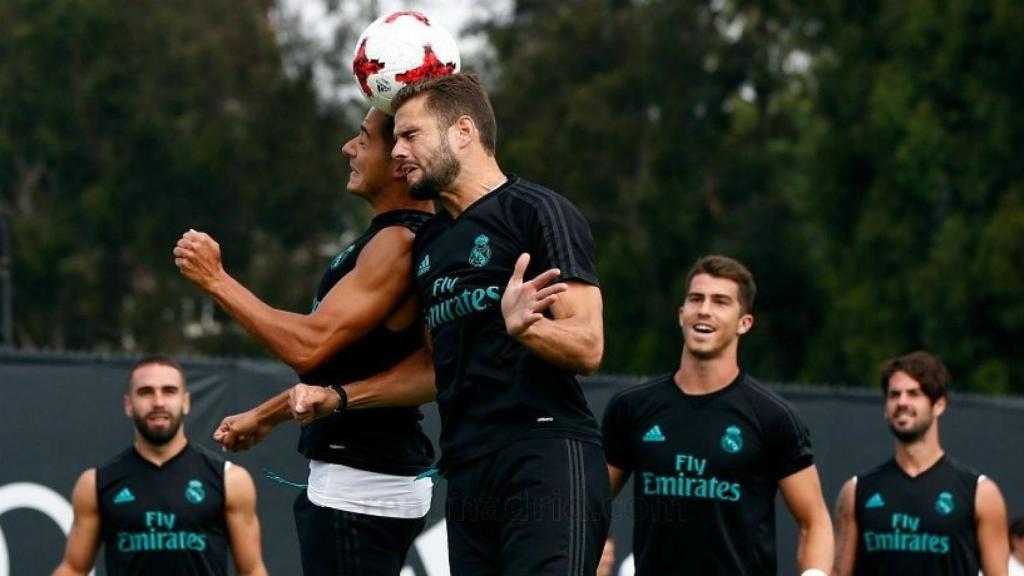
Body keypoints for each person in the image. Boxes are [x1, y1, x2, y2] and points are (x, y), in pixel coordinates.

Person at [287, 73, 611, 575]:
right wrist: (339, 396)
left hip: (543, 453)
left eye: (410, 135)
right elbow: (431, 371)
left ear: (463, 131)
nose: (397, 151)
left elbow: (589, 347)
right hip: (465, 468)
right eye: (394, 138)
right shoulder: (432, 244)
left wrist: (531, 329)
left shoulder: (538, 212)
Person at [172, 107, 436, 575]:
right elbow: (353, 365)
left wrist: (216, 281)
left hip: (361, 485)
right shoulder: (388, 237)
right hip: (366, 480)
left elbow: (309, 346)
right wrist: (268, 414)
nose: (348, 148)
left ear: (400, 160)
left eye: (362, 138)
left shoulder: (398, 241)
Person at [601, 255, 833, 575]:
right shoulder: (632, 408)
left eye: (721, 301)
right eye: (696, 299)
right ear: (682, 314)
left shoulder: (772, 417)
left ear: (744, 322)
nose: (704, 310)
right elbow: (589, 503)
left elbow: (814, 519)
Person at [53, 356, 266, 576]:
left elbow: (252, 570)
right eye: (146, 392)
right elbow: (73, 568)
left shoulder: (230, 479)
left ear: (186, 402)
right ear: (128, 404)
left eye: (169, 391)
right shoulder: (96, 483)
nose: (158, 402)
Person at [832, 350, 1011, 575]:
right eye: (894, 395)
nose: (902, 402)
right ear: (885, 408)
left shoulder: (980, 493)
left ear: (939, 405)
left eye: (914, 393)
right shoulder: (856, 492)